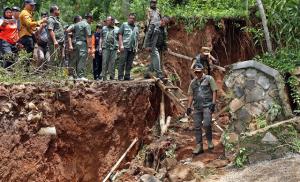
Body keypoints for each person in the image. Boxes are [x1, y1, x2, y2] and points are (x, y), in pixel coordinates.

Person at [186, 63, 218, 155]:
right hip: (197, 107)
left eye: (199, 72)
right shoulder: (193, 82)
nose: (197, 74)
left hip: (207, 105)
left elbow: (214, 90)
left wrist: (213, 103)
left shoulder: (209, 79)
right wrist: (188, 106)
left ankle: (209, 141)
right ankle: (199, 146)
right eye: (196, 72)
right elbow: (191, 95)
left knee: (207, 124)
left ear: (203, 71)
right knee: (197, 127)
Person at [66, 13, 93, 80]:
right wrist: (89, 47)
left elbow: (67, 30)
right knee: (82, 59)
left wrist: (73, 34)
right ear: (89, 18)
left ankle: (71, 75)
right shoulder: (87, 25)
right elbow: (88, 36)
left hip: (75, 43)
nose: (91, 22)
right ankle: (80, 76)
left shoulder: (76, 24)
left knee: (74, 59)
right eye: (91, 20)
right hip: (83, 44)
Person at [118, 13, 139, 81]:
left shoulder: (136, 27)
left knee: (129, 63)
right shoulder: (124, 25)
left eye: (133, 18)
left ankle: (127, 76)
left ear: (135, 20)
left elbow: (137, 38)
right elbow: (120, 35)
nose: (132, 20)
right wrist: (121, 45)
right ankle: (120, 76)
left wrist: (136, 47)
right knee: (122, 62)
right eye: (130, 18)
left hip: (132, 48)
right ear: (128, 18)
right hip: (125, 46)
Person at [100, 16, 119, 81]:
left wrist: (119, 47)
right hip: (105, 47)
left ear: (112, 21)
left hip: (114, 48)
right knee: (105, 62)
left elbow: (119, 39)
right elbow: (101, 38)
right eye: (107, 20)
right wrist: (100, 47)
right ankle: (104, 77)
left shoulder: (117, 29)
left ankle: (112, 77)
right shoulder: (103, 28)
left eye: (108, 20)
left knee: (113, 62)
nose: (107, 21)